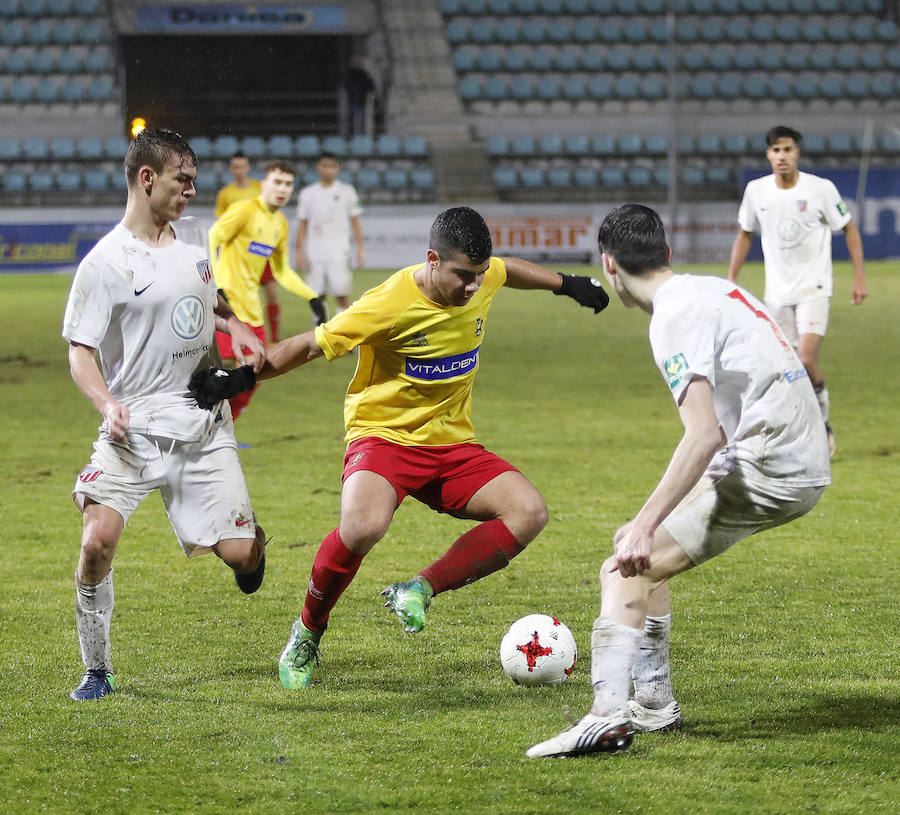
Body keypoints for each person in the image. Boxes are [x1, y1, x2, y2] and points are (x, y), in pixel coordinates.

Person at [191, 206, 610, 690]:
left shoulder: (482, 274)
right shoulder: (388, 302)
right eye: (462, 276)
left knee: (529, 513)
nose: (473, 286)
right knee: (362, 526)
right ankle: (307, 631)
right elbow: (310, 346)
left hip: (452, 442)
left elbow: (507, 269)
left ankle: (419, 588)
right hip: (384, 438)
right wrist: (242, 377)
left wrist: (569, 284)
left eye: (478, 276)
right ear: (432, 260)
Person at [527, 204, 831, 758]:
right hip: (793, 452)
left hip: (768, 463)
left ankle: (607, 716)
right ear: (666, 252)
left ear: (608, 264)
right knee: (641, 550)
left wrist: (646, 524)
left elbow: (702, 434)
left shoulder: (671, 317)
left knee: (622, 567)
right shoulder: (708, 289)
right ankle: (654, 702)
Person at [61, 127, 268, 701]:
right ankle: (96, 670)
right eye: (183, 180)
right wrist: (108, 404)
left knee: (242, 559)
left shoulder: (194, 238)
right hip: (132, 429)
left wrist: (235, 325)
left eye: (195, 180)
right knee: (95, 543)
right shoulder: (105, 263)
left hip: (200, 423)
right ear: (146, 178)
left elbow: (207, 292)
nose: (192, 191)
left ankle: (253, 548)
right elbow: (80, 351)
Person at [727, 125, 868, 457]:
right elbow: (745, 233)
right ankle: (795, 431)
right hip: (776, 294)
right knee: (785, 367)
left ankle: (823, 426)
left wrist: (859, 277)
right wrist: (732, 278)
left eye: (787, 150)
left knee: (805, 359)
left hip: (814, 287)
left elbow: (849, 229)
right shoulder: (756, 191)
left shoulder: (821, 189)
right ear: (768, 155)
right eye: (775, 151)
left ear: (797, 153)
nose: (781, 157)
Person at [209, 159, 326, 420]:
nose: (282, 189)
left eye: (288, 184)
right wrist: (217, 285)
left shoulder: (280, 223)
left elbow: (282, 270)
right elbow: (211, 238)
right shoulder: (244, 210)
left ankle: (222, 430)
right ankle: (205, 433)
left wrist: (312, 297)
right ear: (264, 184)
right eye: (277, 182)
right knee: (221, 376)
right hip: (229, 311)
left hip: (253, 311)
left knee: (253, 377)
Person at [214, 152, 282, 343]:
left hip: (259, 250)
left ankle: (275, 337)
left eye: (242, 166)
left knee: (271, 293)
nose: (239, 170)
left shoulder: (258, 189)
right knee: (236, 300)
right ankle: (240, 336)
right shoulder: (226, 194)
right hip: (237, 255)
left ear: (248, 167)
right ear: (231, 169)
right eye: (235, 167)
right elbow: (222, 226)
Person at [294, 151, 365, 318]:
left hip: (339, 250)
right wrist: (298, 251)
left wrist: (361, 249)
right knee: (316, 296)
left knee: (342, 294)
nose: (328, 170)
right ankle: (318, 334)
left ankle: (343, 334)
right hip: (314, 251)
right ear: (319, 168)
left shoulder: (347, 191)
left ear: (338, 169)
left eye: (332, 166)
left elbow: (355, 222)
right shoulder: (308, 193)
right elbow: (302, 224)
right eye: (325, 166)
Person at [343, 55, 375, 137]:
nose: (357, 64)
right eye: (356, 63)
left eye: (358, 63)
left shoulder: (364, 74)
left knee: (362, 120)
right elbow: (346, 85)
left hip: (361, 100)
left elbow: (370, 86)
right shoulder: (350, 74)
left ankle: (361, 136)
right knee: (351, 120)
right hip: (353, 99)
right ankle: (350, 135)